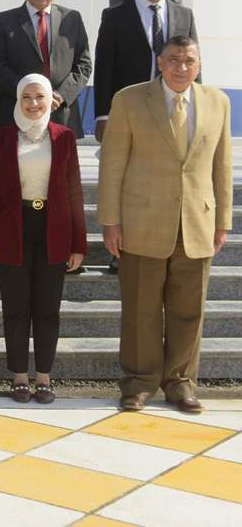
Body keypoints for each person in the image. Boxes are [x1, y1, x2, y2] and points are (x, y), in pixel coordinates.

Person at [100, 37, 232, 414]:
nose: (181, 67)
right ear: (160, 62)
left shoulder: (217, 102)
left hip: (196, 223)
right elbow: (112, 164)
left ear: (199, 64)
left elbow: (222, 165)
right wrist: (110, 221)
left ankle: (181, 382)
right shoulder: (129, 100)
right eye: (173, 59)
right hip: (141, 223)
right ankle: (139, 382)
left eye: (189, 60)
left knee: (189, 312)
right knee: (140, 309)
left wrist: (222, 220)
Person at [0, 75, 86, 404]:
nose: (33, 103)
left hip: (54, 229)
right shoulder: (2, 138)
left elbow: (74, 191)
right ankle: (19, 377)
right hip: (13, 228)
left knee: (47, 309)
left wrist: (79, 244)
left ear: (51, 100)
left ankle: (44, 377)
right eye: (26, 97)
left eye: (40, 96)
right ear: (17, 100)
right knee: (15, 307)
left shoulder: (64, 137)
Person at [94, 0, 197, 144]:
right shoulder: (115, 17)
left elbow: (193, 64)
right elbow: (104, 69)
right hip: (131, 107)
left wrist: (196, 107)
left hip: (173, 108)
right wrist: (102, 115)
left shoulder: (185, 16)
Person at [0, 0, 91, 139]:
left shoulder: (72, 19)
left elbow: (83, 65)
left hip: (60, 114)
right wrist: (28, 94)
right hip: (16, 112)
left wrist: (59, 95)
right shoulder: (3, 21)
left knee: (60, 159)